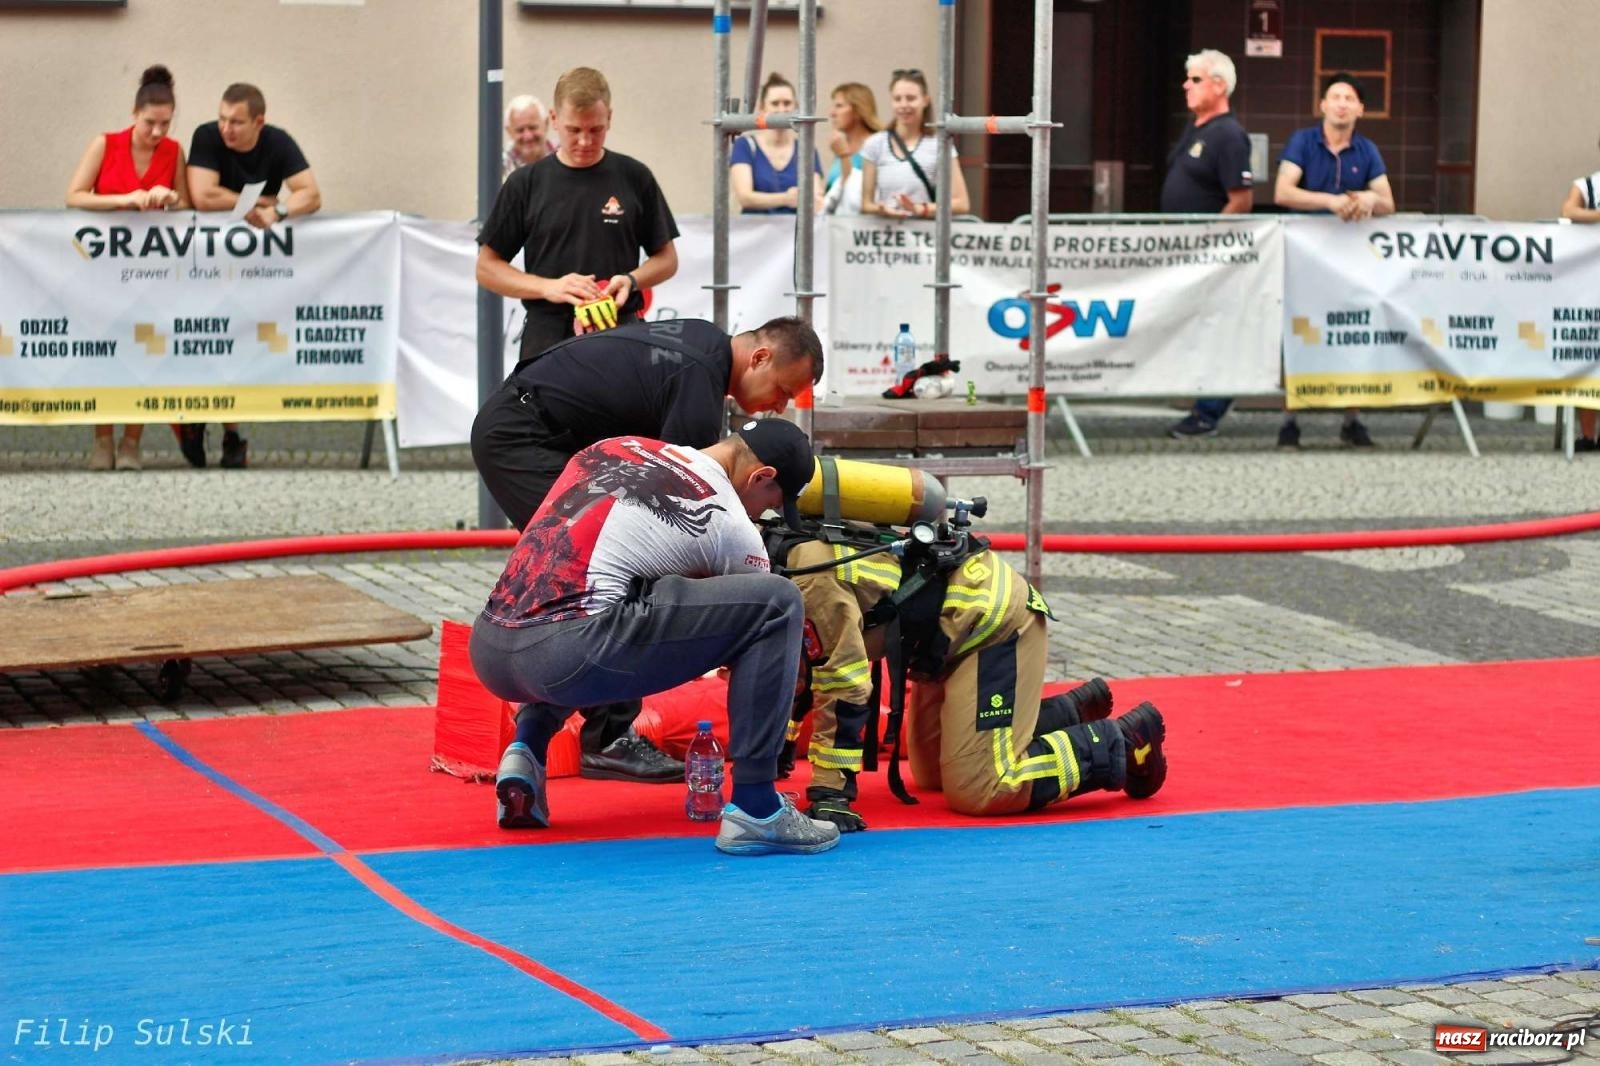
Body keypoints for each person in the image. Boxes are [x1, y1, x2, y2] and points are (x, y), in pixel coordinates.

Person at [470, 315, 825, 783]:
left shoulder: (701, 341)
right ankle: (610, 739)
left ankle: (533, 739)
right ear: (759, 358)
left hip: (491, 637)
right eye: (781, 390)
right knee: (592, 586)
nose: (776, 407)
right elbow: (686, 524)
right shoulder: (698, 395)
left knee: (588, 579)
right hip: (525, 436)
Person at [471, 417, 842, 856]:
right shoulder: (730, 523)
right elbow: (750, 636)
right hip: (568, 655)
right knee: (778, 604)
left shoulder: (616, 443)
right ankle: (757, 808)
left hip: (490, 647)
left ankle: (526, 749)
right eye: (771, 503)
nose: (761, 515)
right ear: (762, 477)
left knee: (604, 593)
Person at [774, 521, 1166, 826]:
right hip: (939, 639)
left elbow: (841, 682)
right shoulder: (773, 559)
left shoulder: (807, 579)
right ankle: (1061, 715)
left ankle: (1121, 742)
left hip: (990, 623)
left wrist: (830, 791)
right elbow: (796, 671)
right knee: (931, 775)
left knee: (982, 788)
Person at [477, 66, 679, 364]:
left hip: (620, 332)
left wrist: (630, 280)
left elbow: (667, 259)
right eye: (574, 130)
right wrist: (549, 287)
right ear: (554, 120)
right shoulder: (526, 183)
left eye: (596, 129)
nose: (585, 141)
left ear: (609, 117)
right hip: (547, 339)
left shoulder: (634, 176)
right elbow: (487, 268)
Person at [186, 82, 322, 469]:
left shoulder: (278, 143)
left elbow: (311, 195)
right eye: (223, 119)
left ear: (259, 122)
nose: (227, 128)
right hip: (202, 263)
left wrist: (277, 212)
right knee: (204, 338)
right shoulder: (207, 137)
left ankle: (231, 432)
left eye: (237, 122)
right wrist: (259, 200)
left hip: (251, 269)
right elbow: (202, 195)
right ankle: (194, 417)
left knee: (240, 341)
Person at [65, 64, 191, 473]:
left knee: (145, 351)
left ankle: (132, 442)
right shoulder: (106, 144)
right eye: (151, 123)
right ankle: (102, 440)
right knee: (104, 349)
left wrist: (167, 197)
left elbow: (186, 206)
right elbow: (75, 196)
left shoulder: (174, 152)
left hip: (151, 269)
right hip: (105, 266)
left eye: (166, 124)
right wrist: (126, 198)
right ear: (135, 114)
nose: (158, 133)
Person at [1269, 72, 1394, 450]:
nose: (1341, 103)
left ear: (1360, 109)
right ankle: (1290, 420)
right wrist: (1329, 200)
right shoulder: (1302, 142)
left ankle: (1351, 420)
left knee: (1352, 331)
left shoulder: (1368, 150)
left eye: (1349, 98)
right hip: (1305, 259)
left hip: (1353, 262)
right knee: (1299, 332)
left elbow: (1389, 203)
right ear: (1322, 104)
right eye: (1334, 96)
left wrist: (1371, 201)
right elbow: (1282, 191)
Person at [1158, 50, 1256, 441]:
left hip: (1209, 255)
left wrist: (1210, 245)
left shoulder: (1228, 134)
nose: (1186, 84)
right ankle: (1203, 403)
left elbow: (1240, 199)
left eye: (1195, 79)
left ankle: (1211, 407)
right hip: (1186, 251)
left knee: (1216, 328)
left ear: (1219, 85)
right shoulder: (1197, 128)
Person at [860, 68, 970, 220]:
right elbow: (866, 204)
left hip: (924, 237)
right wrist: (882, 208)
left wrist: (921, 209)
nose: (904, 105)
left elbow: (962, 203)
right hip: (886, 236)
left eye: (911, 98)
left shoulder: (940, 145)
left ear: (925, 100)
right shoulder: (875, 144)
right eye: (897, 99)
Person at [730, 72, 823, 216]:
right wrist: (786, 199)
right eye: (775, 103)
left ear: (796, 107)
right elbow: (744, 197)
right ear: (762, 108)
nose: (781, 110)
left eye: (787, 103)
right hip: (756, 234)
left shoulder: (806, 149)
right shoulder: (745, 145)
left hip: (794, 235)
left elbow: (816, 198)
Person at [1560, 142, 1600, 450]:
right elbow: (1569, 210)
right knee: (1591, 360)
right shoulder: (1587, 185)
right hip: (1591, 285)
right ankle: (1588, 434)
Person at [822, 82, 881, 215]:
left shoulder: (878, 145)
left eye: (839, 106)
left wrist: (844, 155)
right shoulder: (842, 145)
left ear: (858, 111)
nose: (832, 113)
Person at [502, 94, 555, 180]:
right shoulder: (498, 165)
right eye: (520, 130)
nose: (528, 136)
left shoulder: (565, 155)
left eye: (532, 128)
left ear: (546, 124)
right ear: (509, 132)